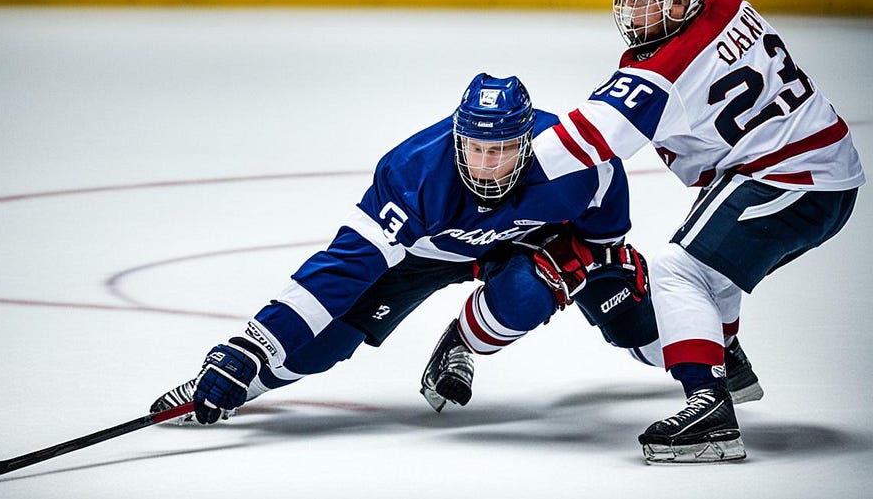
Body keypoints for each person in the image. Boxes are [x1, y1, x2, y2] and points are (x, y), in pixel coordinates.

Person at [429, 0, 863, 463]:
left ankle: (709, 410)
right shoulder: (727, 1)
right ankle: (723, 357)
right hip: (815, 165)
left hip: (791, 177)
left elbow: (584, 140)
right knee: (712, 271)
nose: (637, 11)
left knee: (679, 272)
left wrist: (494, 175)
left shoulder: (663, 72)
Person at [150, 73, 658, 425]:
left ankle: (462, 343)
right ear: (457, 138)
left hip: (524, 243)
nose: (485, 164)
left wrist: (588, 266)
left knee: (555, 294)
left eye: (500, 150)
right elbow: (342, 268)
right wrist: (250, 348)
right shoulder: (414, 172)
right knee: (320, 348)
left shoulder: (579, 160)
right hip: (427, 255)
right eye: (476, 148)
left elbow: (601, 238)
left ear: (527, 142)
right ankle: (220, 388)